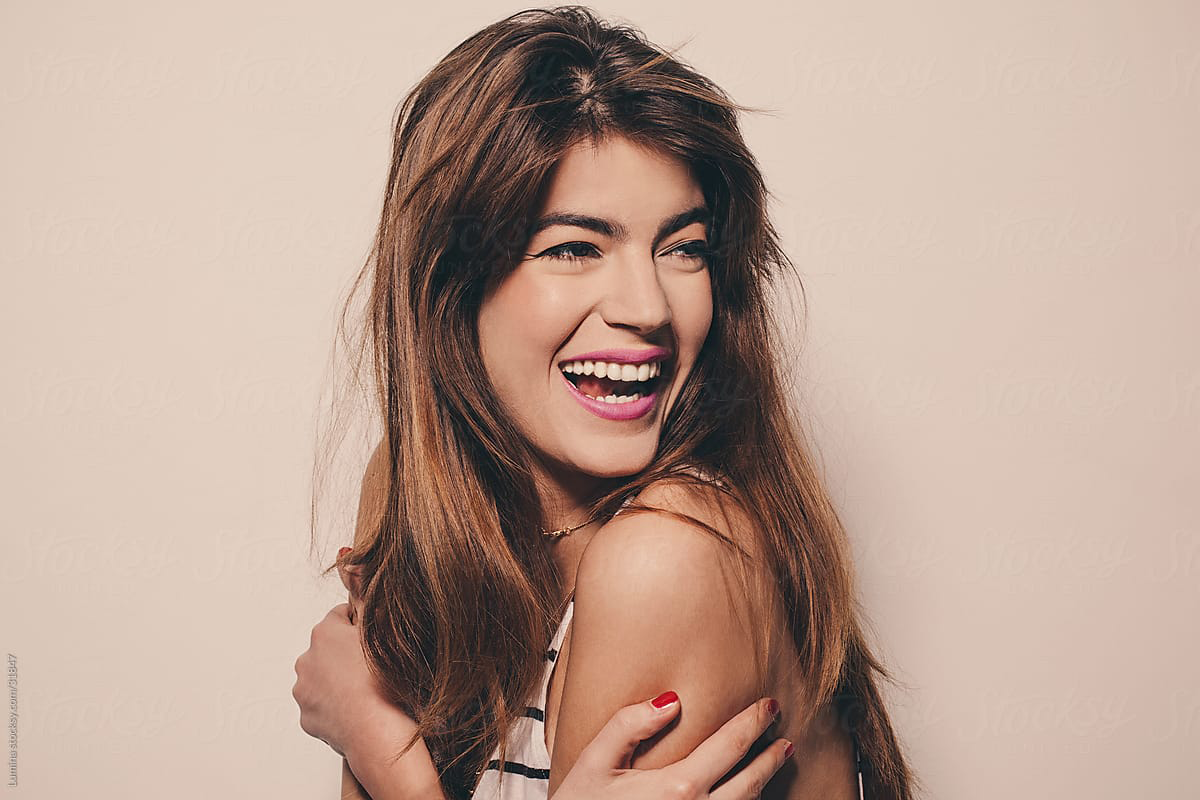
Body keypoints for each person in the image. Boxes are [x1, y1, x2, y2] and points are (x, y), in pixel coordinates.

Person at [293, 6, 914, 799]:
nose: (648, 307)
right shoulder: (417, 490)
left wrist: (383, 748)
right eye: (574, 248)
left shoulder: (671, 557)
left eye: (683, 248)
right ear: (453, 287)